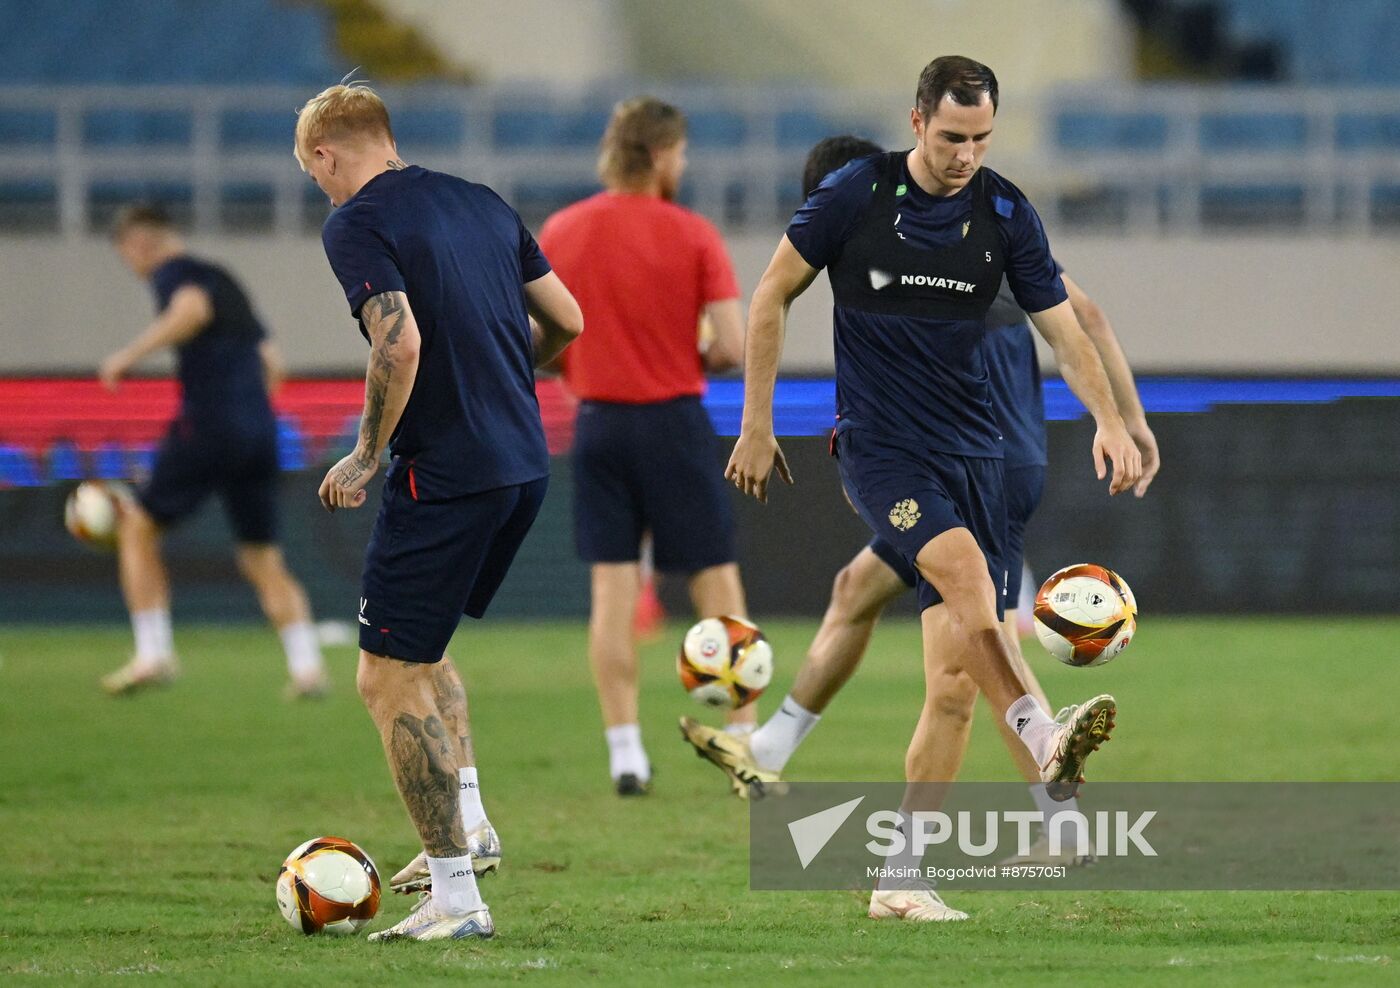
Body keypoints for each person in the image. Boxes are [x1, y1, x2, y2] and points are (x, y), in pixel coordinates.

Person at [682, 135, 1162, 919]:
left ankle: (1031, 816)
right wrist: (1128, 421)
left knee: (956, 670)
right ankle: (813, 771)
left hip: (986, 475)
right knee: (881, 606)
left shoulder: (947, 247)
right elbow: (1091, 313)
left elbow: (1079, 319)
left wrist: (1122, 421)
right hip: (940, 473)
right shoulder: (958, 237)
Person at [296, 81, 583, 942]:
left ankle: (457, 898)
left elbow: (401, 340)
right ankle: (474, 821)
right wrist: (500, 372)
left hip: (446, 472)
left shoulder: (355, 222)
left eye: (314, 172)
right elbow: (568, 319)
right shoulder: (483, 203)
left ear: (325, 154)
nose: (321, 188)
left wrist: (367, 452)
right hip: (523, 464)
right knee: (423, 652)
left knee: (383, 676)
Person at [537, 97, 751, 796]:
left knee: (612, 590)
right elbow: (735, 347)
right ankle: (744, 740)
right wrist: (693, 352)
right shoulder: (691, 233)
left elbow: (538, 340)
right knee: (714, 581)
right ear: (661, 154)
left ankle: (625, 751)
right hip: (673, 421)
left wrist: (585, 365)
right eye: (681, 154)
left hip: (597, 424)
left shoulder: (562, 229)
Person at [98, 205, 329, 699]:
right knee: (262, 557)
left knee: (137, 525)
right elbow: (274, 364)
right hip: (261, 430)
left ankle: (153, 652)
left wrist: (128, 356)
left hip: (209, 424)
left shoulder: (175, 274)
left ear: (140, 242)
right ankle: (307, 668)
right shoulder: (226, 278)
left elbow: (191, 311)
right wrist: (246, 411)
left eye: (126, 255)